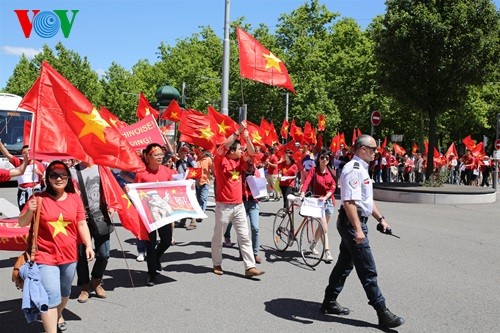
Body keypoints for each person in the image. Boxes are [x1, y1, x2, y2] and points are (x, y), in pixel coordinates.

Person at [320, 134, 405, 329]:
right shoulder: (353, 169)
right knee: (368, 269)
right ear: (362, 149)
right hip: (352, 224)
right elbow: (349, 201)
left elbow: (366, 200)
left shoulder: (362, 169)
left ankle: (329, 301)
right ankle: (382, 312)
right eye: (373, 149)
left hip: (355, 221)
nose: (376, 153)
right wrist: (358, 230)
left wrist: (381, 219)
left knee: (344, 265)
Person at [18, 160, 95, 333]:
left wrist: (89, 245)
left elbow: (82, 224)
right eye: (54, 175)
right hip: (44, 255)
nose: (58, 178)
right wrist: (30, 210)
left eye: (62, 175)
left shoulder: (75, 198)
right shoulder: (38, 198)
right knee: (51, 296)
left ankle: (59, 314)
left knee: (64, 292)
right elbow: (21, 222)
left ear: (68, 177)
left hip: (69, 255)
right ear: (47, 178)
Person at [211, 120, 265, 278]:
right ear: (231, 151)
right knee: (218, 237)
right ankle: (217, 263)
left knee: (244, 236)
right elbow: (224, 146)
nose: (242, 151)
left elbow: (252, 152)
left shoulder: (240, 161)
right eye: (239, 149)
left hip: (239, 205)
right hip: (223, 206)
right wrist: (238, 131)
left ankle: (250, 267)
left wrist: (247, 138)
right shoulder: (220, 160)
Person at [133, 143, 177, 286]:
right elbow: (135, 194)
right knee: (150, 245)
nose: (159, 157)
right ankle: (151, 274)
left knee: (166, 240)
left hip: (163, 214)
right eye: (156, 155)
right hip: (148, 215)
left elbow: (174, 190)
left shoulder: (167, 171)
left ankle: (156, 258)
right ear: (147, 156)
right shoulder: (141, 173)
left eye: (161, 154)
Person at [74, 163, 114, 303]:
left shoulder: (103, 169)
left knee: (104, 253)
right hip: (80, 219)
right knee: (81, 254)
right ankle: (84, 286)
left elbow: (113, 190)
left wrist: (112, 206)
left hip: (100, 217)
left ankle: (96, 280)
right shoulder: (74, 171)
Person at [299, 149, 336, 263]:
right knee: (324, 228)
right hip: (318, 203)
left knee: (321, 227)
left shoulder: (331, 171)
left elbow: (333, 187)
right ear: (318, 159)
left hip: (329, 202)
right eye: (322, 158)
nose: (325, 160)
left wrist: (326, 197)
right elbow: (307, 182)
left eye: (327, 158)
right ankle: (327, 251)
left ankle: (313, 244)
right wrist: (302, 192)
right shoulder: (313, 171)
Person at [0, 142, 45, 210]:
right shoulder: (19, 162)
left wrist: (40, 174)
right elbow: (7, 154)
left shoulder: (38, 164)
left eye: (28, 153)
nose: (27, 155)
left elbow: (44, 180)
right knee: (23, 209)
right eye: (24, 153)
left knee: (36, 210)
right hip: (23, 191)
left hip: (35, 190)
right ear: (22, 154)